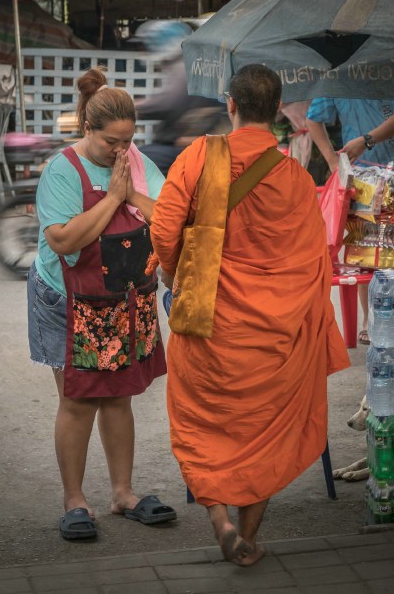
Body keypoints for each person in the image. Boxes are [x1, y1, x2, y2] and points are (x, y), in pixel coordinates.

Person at [150, 64, 350, 566]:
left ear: (230, 104)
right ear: (277, 109)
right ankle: (249, 536)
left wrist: (178, 279)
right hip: (275, 336)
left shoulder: (199, 156)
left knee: (200, 422)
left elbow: (163, 230)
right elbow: (315, 261)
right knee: (267, 429)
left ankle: (219, 522)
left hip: (208, 324)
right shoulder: (296, 179)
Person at [27, 66, 176, 540]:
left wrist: (130, 189)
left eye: (128, 141)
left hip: (119, 298)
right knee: (78, 399)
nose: (121, 150)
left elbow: (169, 217)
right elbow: (66, 240)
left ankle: (123, 493)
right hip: (67, 298)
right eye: (112, 141)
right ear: (88, 129)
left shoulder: (135, 164)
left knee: (119, 395)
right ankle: (74, 500)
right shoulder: (61, 172)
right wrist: (114, 199)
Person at [306, 97, 394, 345]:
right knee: (368, 253)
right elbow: (313, 119)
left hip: (388, 170)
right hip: (364, 179)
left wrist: (367, 140)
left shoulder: (385, 66)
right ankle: (372, 319)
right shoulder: (339, 78)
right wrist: (333, 161)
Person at [134, 20, 230, 175]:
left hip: (185, 142)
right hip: (186, 139)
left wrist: (133, 107)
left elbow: (168, 103)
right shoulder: (191, 63)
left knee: (141, 159)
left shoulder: (183, 66)